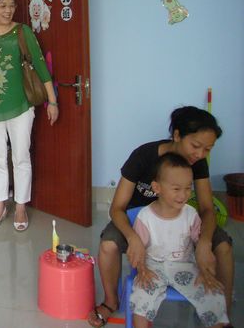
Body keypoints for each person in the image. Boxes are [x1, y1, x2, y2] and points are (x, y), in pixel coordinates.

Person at [88, 106, 234, 327]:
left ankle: (222, 312)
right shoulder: (143, 156)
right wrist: (133, 237)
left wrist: (204, 242)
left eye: (207, 149)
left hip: (180, 221)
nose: (200, 154)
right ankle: (110, 301)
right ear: (177, 135)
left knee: (222, 246)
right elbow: (117, 208)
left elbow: (207, 208)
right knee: (108, 244)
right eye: (195, 146)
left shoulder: (197, 163)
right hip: (136, 220)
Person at [0, 0, 58, 231]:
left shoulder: (22, 31)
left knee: (21, 157)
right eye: (2, 6)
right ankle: (0, 204)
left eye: (11, 5)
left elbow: (40, 66)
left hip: (20, 106)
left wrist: (52, 101)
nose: (8, 10)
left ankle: (20, 206)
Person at [130, 153, 229, 328]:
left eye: (188, 188)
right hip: (153, 267)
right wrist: (142, 269)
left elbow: (200, 245)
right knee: (141, 300)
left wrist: (205, 270)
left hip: (185, 266)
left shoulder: (191, 214)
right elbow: (138, 251)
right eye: (176, 189)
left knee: (213, 296)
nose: (183, 195)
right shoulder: (145, 217)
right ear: (157, 187)